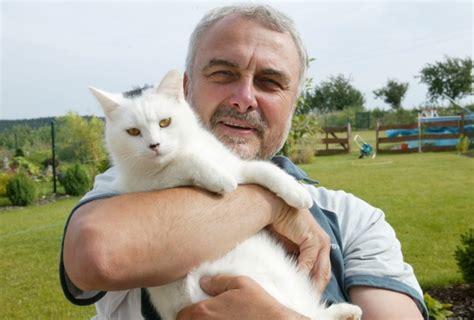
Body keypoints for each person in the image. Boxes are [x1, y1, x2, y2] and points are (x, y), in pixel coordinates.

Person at [60, 4, 428, 320]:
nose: (244, 98)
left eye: (270, 82)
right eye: (223, 74)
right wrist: (271, 204)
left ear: (293, 104)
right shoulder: (124, 187)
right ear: (183, 92)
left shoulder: (353, 221)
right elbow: (98, 254)